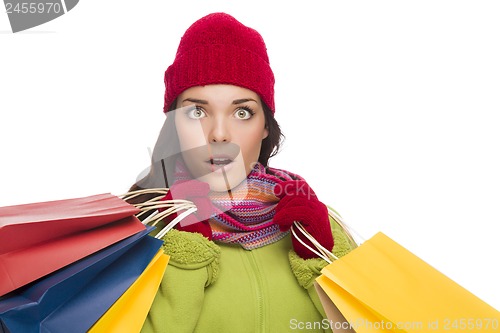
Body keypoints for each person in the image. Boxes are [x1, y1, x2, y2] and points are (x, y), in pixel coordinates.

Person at [129, 12, 355, 333]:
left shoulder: (320, 229)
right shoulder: (142, 235)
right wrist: (184, 257)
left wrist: (322, 259)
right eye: (197, 111)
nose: (219, 134)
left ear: (265, 126)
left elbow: (379, 325)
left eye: (242, 111)